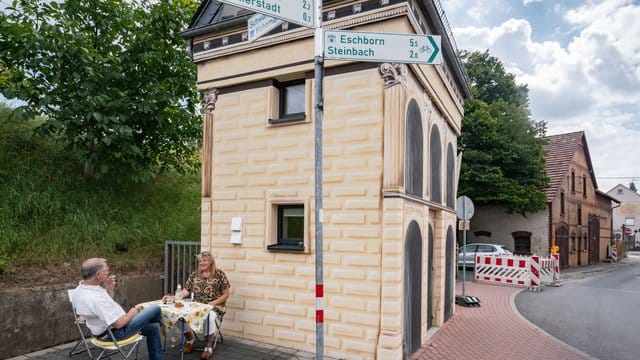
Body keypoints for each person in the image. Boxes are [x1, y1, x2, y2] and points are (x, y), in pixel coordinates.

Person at [73, 258, 163, 360]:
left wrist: (109, 289)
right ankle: (164, 325)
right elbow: (119, 323)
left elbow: (102, 308)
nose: (108, 273)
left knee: (153, 327)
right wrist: (133, 312)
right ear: (98, 275)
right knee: (155, 308)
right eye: (106, 271)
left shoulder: (80, 290)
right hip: (115, 333)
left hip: (101, 331)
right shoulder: (95, 299)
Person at [164, 250, 230, 360]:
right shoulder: (195, 275)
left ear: (210, 262)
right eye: (200, 261)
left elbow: (226, 294)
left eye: (204, 260)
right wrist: (174, 298)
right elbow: (186, 291)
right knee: (177, 315)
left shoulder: (219, 274)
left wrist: (213, 303)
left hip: (215, 306)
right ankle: (190, 339)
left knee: (209, 316)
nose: (201, 263)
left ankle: (208, 347)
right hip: (197, 306)